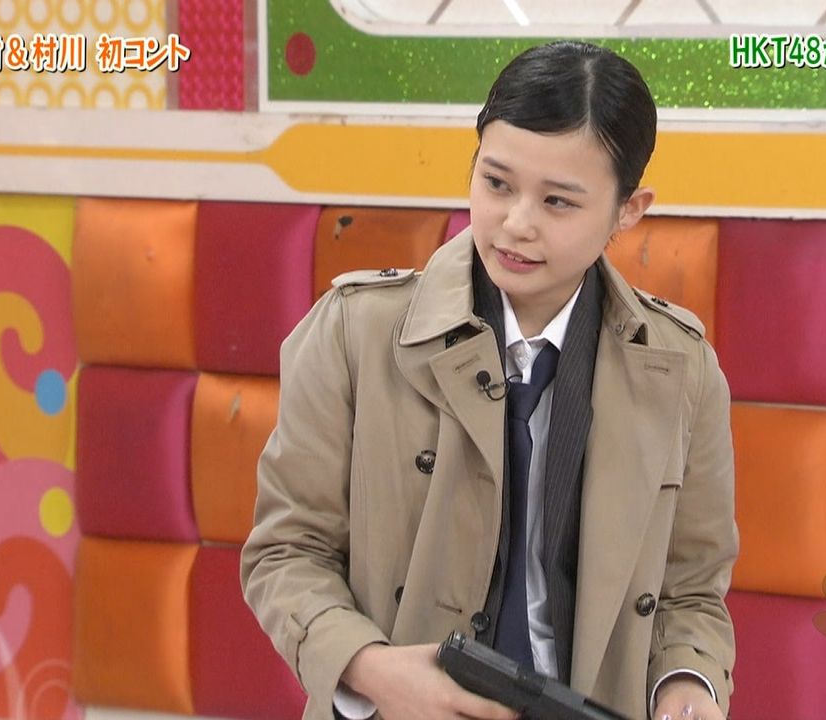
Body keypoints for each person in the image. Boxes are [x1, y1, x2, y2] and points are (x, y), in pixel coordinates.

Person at [241, 40, 737, 720]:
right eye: (497, 183)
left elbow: (693, 592)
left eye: (558, 201)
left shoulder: (681, 368)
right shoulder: (355, 330)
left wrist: (688, 684)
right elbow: (285, 552)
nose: (516, 224)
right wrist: (372, 669)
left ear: (629, 208)